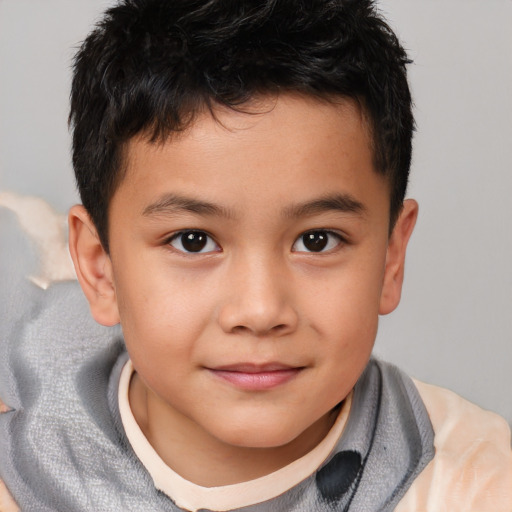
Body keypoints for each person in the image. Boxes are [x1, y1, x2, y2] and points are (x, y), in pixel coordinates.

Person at [0, 0, 511, 510]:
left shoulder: (477, 487)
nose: (261, 311)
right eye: (193, 240)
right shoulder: (22, 430)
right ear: (99, 268)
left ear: (391, 259)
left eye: (317, 240)